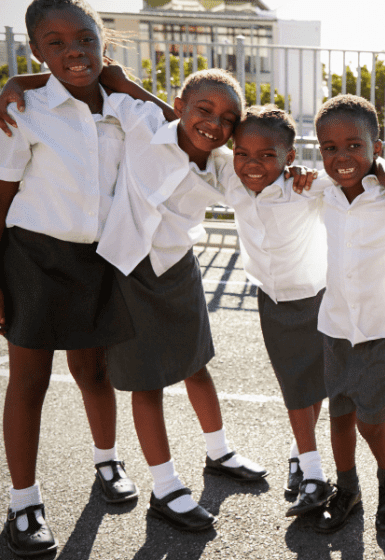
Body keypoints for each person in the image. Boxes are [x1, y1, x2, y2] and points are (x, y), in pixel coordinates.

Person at [0, 1, 151, 554]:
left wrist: (122, 81)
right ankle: (24, 503)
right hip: (32, 259)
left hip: (98, 259)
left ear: (102, 40)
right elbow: (1, 200)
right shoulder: (24, 109)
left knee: (94, 371)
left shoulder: (123, 106)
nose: (73, 52)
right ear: (36, 50)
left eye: (84, 39)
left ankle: (107, 463)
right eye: (55, 43)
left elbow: (180, 131)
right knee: (30, 380)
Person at [94, 68, 269, 532]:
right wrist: (17, 85)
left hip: (177, 267)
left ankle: (220, 452)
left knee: (196, 363)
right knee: (146, 381)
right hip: (128, 268)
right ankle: (166, 487)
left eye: (228, 118)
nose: (214, 123)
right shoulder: (143, 123)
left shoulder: (225, 164)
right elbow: (105, 81)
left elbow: (263, 179)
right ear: (178, 106)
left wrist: (295, 174)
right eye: (204, 110)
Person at [295, 94, 385, 533]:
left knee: (371, 422)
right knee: (339, 416)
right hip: (336, 326)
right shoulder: (324, 190)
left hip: (384, 330)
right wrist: (297, 173)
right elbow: (285, 186)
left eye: (354, 145)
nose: (342, 156)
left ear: (377, 147)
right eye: (330, 147)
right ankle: (347, 490)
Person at [223, 105, 330, 515]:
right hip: (273, 299)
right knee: (294, 386)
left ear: (289, 157)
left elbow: (362, 176)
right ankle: (315, 475)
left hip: (319, 295)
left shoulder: (306, 186)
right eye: (242, 153)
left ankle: (300, 455)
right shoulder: (229, 178)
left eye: (267, 155)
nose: (252, 164)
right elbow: (186, 131)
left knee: (315, 382)